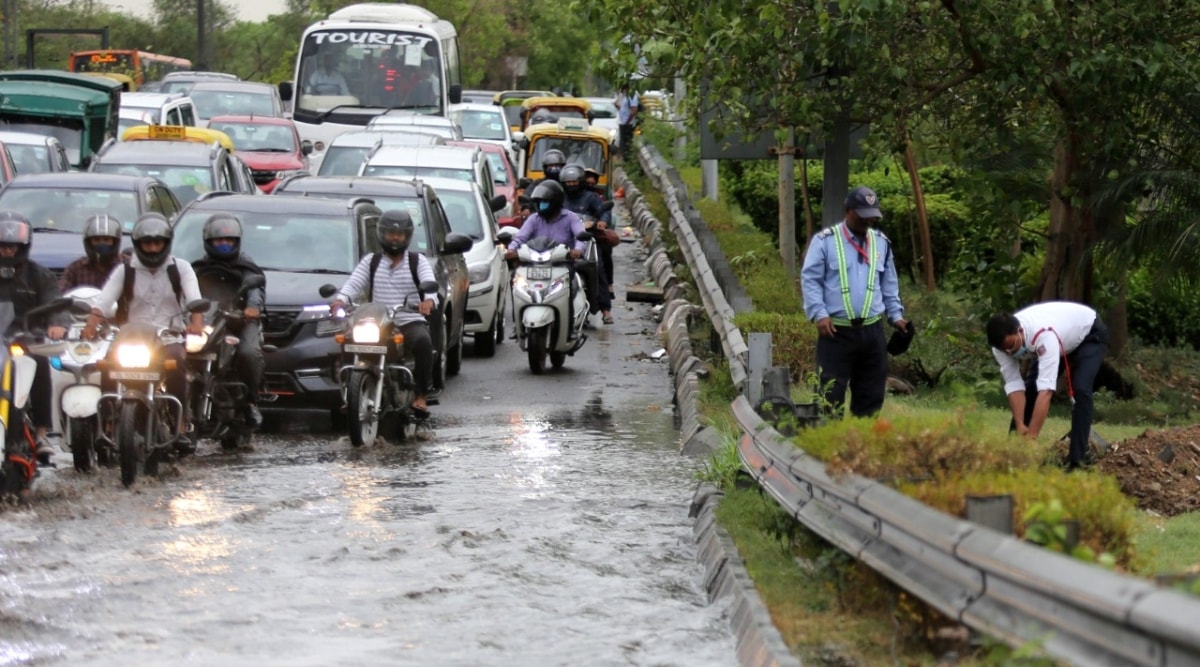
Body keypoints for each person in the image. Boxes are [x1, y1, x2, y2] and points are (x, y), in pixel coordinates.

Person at [83, 213, 205, 450]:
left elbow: (195, 300)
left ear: (166, 243)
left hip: (169, 335)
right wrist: (91, 324)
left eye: (156, 242)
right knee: (108, 364)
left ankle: (180, 425)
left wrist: (196, 322)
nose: (151, 248)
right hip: (131, 335)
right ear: (138, 244)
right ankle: (107, 423)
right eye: (147, 243)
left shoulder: (181, 269)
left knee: (177, 363)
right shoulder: (125, 269)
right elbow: (104, 300)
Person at [800, 186, 907, 418]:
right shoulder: (825, 242)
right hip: (836, 333)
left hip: (872, 332)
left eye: (872, 217)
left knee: (870, 396)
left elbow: (889, 284)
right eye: (862, 216)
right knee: (829, 396)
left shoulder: (881, 243)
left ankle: (861, 447)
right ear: (848, 211)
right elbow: (810, 280)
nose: (868, 221)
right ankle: (827, 448)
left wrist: (896, 317)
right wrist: (819, 313)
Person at [329, 210, 437, 416]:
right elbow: (354, 283)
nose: (394, 238)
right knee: (345, 340)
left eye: (399, 235)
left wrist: (429, 300)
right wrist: (340, 300)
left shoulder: (417, 261)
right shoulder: (372, 261)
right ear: (382, 234)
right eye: (390, 234)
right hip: (378, 321)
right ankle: (348, 392)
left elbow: (429, 283)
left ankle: (421, 394)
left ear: (407, 236)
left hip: (408, 319)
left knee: (423, 341)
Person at [986, 302, 1109, 471]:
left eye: (1011, 347)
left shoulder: (1044, 336)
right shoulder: (1000, 347)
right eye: (1004, 350)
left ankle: (1078, 460)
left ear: (1020, 331)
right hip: (1060, 337)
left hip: (1088, 334)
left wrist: (1033, 435)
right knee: (1031, 390)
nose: (1010, 353)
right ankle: (1012, 456)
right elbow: (1014, 386)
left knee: (1080, 390)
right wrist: (1021, 423)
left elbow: (1046, 392)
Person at [0, 212, 69, 464]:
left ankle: (41, 433)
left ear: (23, 246)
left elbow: (56, 304)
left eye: (12, 246)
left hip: (25, 341)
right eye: (3, 246)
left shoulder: (38, 275)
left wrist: (57, 324)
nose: (8, 251)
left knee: (39, 364)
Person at [190, 213, 267, 429]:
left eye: (228, 240)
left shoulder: (246, 266)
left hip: (239, 321)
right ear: (209, 242)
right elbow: (187, 293)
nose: (223, 244)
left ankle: (250, 401)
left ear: (236, 241)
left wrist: (251, 309)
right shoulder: (197, 268)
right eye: (218, 240)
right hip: (206, 321)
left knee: (248, 353)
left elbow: (255, 290)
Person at [505, 180, 607, 330]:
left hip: (561, 262)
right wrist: (511, 249)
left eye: (545, 202)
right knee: (516, 281)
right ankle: (518, 324)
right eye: (539, 202)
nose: (541, 205)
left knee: (572, 285)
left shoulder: (571, 218)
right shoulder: (534, 219)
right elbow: (521, 238)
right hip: (535, 262)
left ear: (556, 201)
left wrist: (577, 250)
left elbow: (580, 236)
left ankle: (570, 325)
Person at [561, 163, 615, 316]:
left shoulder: (591, 197)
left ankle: (606, 309)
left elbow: (603, 211)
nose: (571, 185)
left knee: (598, 267)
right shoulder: (559, 197)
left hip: (586, 238)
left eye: (574, 182)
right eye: (568, 182)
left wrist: (602, 221)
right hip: (563, 239)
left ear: (581, 182)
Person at [60, 214, 123, 292]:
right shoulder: (75, 269)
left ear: (115, 242)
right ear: (88, 243)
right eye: (96, 240)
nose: (101, 243)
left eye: (106, 239)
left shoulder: (128, 266)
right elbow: (62, 296)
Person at [614, 85, 640, 159]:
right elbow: (621, 107)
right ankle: (624, 160)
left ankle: (627, 159)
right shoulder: (624, 96)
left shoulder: (632, 96)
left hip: (629, 124)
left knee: (627, 145)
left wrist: (627, 122)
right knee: (623, 145)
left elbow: (634, 110)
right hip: (623, 123)